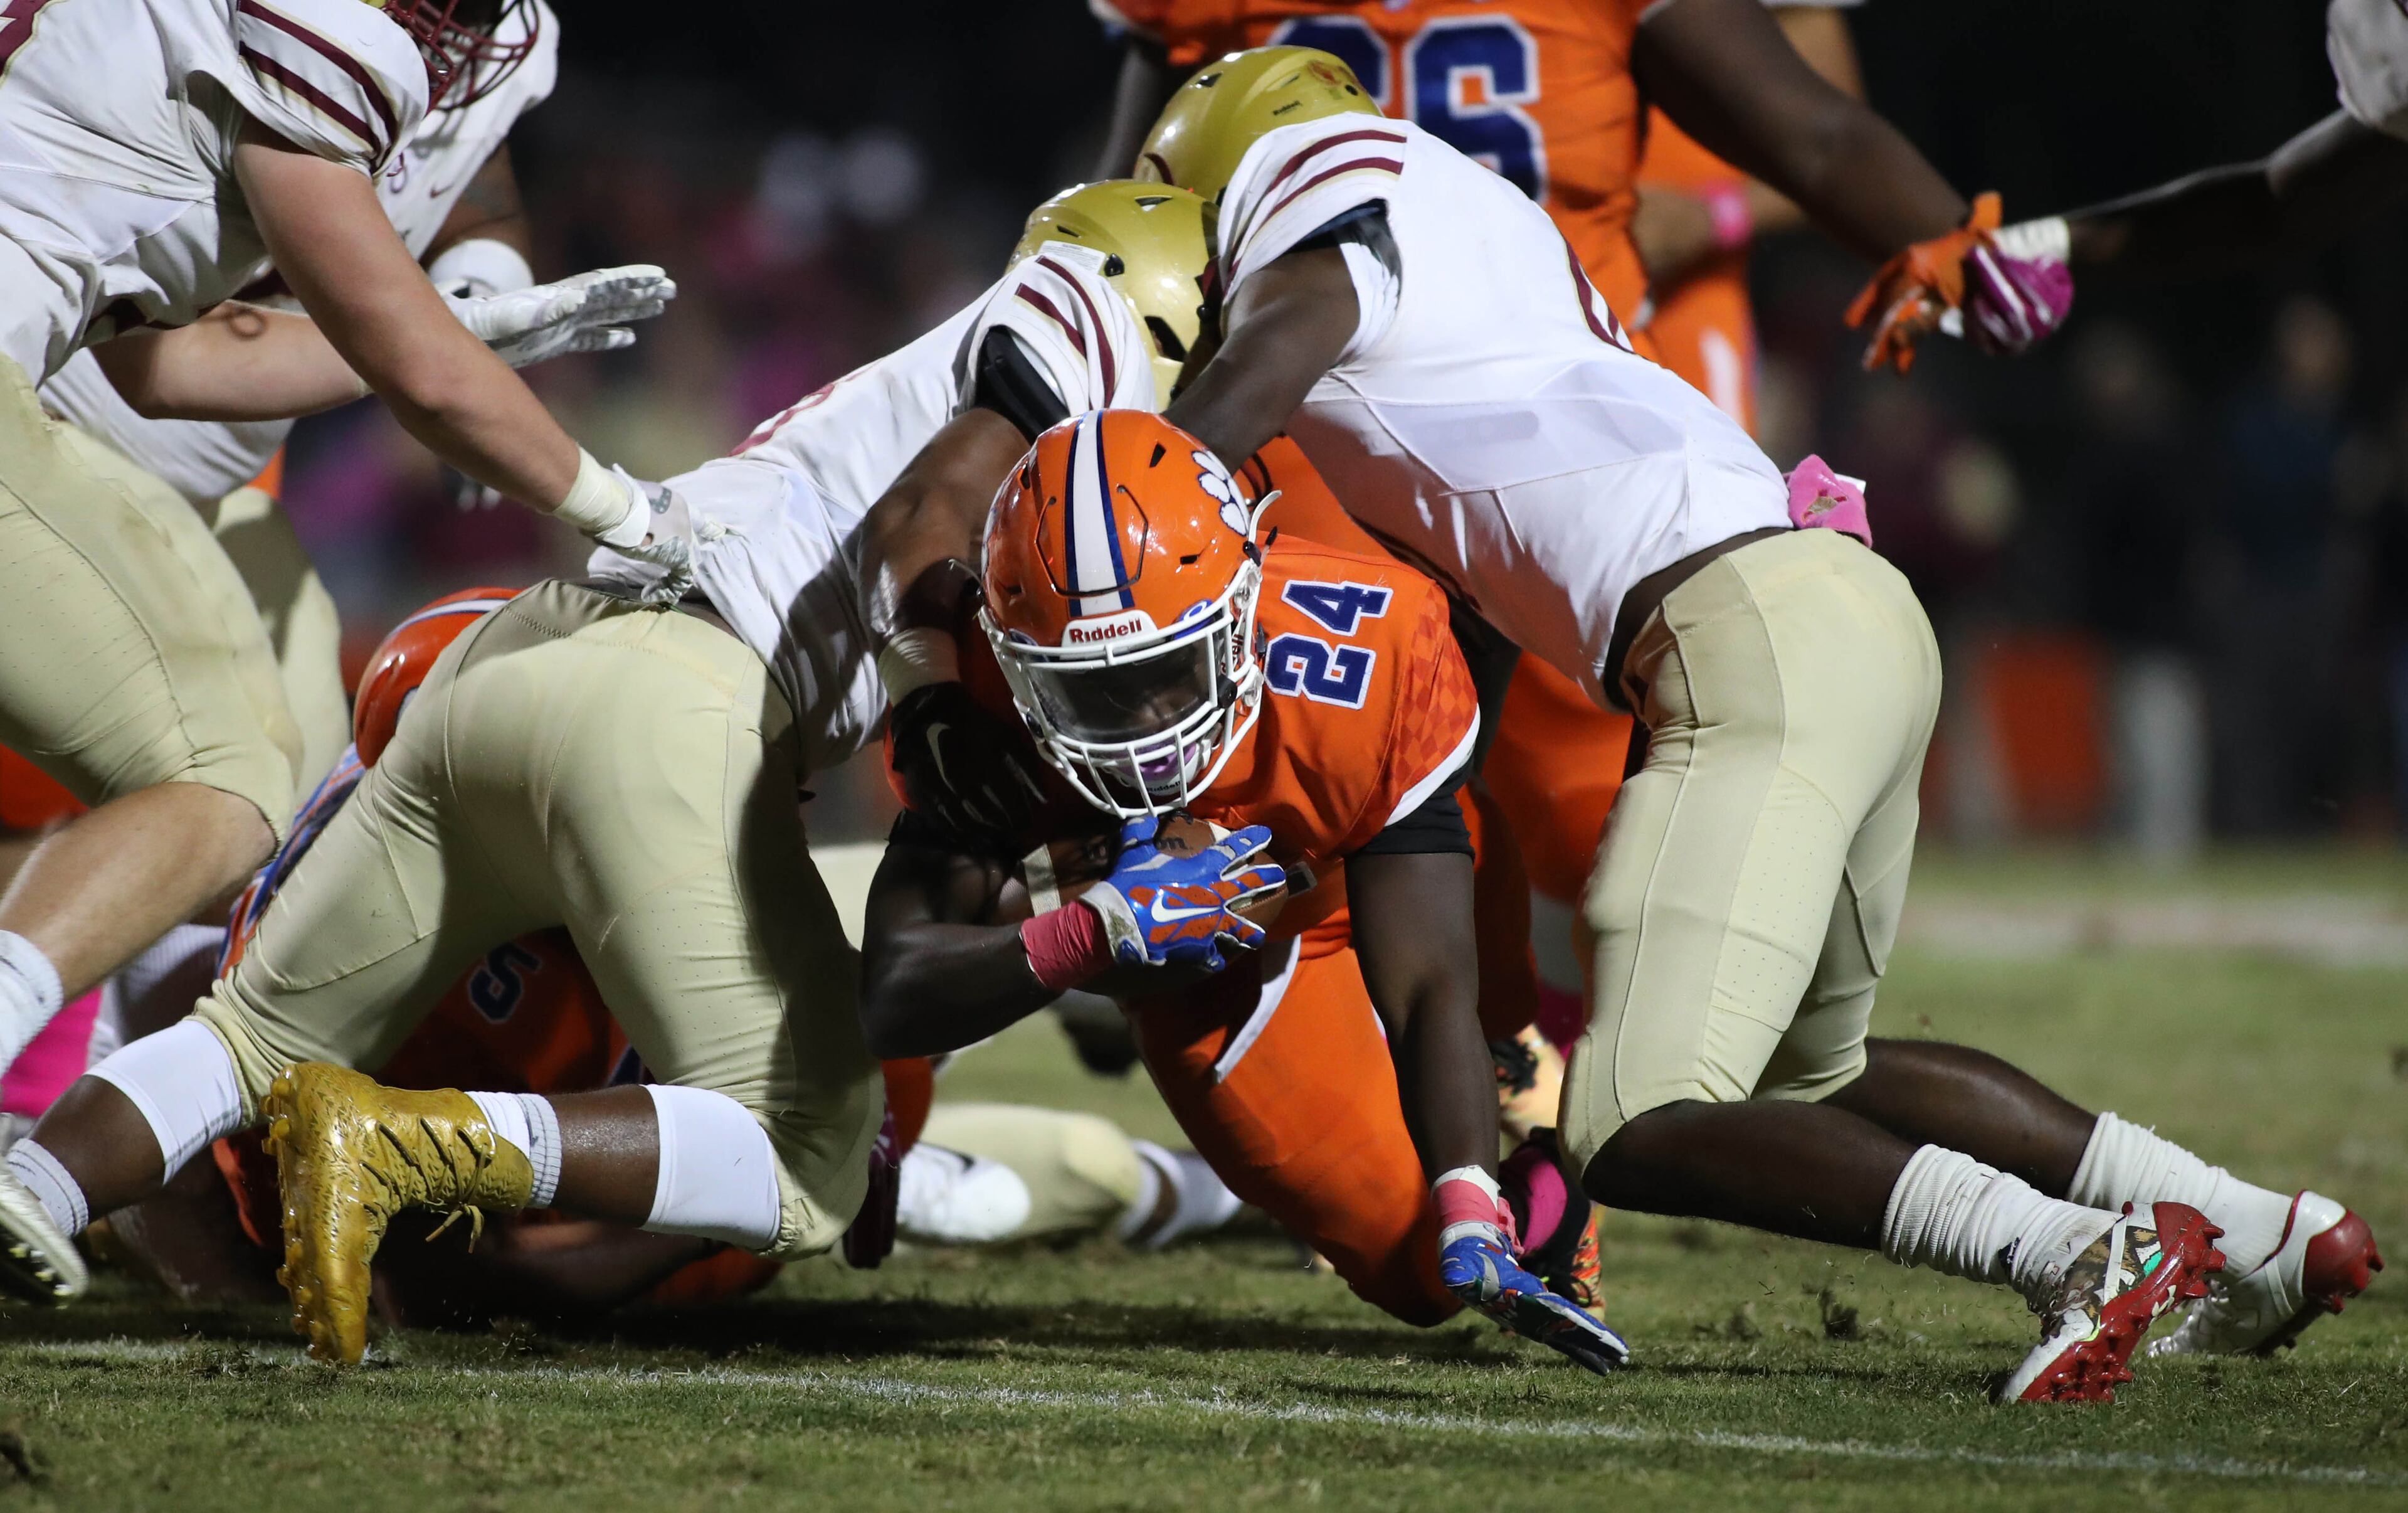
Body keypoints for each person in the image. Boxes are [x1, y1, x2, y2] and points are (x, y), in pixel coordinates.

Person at [1123, 47, 2375, 1399]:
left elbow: (1229, 402)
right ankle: (2257, 1228)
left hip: (1742, 638)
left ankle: (2073, 1248)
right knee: (1805, 1067)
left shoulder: (1320, 220)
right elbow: (1467, 622)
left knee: (1630, 1116)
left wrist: (1111, 497)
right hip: (1844, 610)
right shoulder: (1483, 238)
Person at [0, 180, 1217, 1366]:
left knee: (246, 1038)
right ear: (1168, 304)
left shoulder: (957, 381)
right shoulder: (1082, 334)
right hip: (688, 694)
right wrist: (932, 695)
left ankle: (34, 1189)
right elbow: (923, 518)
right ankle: (404, 1140)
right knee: (813, 1151)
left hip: (518, 651)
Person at [1077, 0, 2055, 996]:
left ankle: (1551, 1043)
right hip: (1388, 424)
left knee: (1584, 839)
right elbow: (1127, 217)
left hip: (1531, 429)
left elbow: (1815, 126)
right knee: (1349, 804)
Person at [0, 0, 680, 1091]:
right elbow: (414, 369)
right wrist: (627, 512)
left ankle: (112, 1106)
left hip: (118, 418)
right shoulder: (330, 31)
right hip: (53, 427)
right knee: (220, 783)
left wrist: (463, 314)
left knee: (275, 787)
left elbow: (170, 361)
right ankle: (69, 1116)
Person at [861, 408, 1626, 1374]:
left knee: (1467, 870)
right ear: (1014, 658)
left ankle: (1510, 1053)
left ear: (1242, 606)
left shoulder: (1372, 649)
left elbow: (1429, 979)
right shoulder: (978, 709)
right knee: (1422, 1277)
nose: (1143, 726)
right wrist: (1096, 932)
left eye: (1168, 671)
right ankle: (1549, 1192)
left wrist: (1467, 1197)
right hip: (1216, 971)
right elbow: (893, 991)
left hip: (1355, 859)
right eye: (1092, 690)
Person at [35, 0, 568, 801]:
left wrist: (476, 292)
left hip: (214, 481)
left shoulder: (489, 45)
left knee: (301, 783)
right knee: (222, 790)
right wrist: (447, 360)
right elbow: (168, 363)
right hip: (60, 420)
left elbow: (476, 190)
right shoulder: (282, 30)